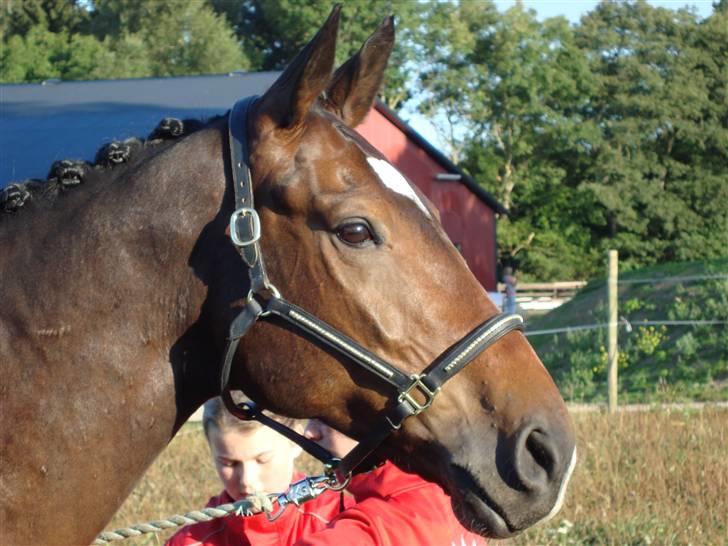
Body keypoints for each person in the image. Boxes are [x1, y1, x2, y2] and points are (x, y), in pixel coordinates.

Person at [166, 397, 348, 546]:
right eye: (229, 463)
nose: (247, 481)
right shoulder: (191, 542)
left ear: (295, 443)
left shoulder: (344, 518)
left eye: (262, 460)